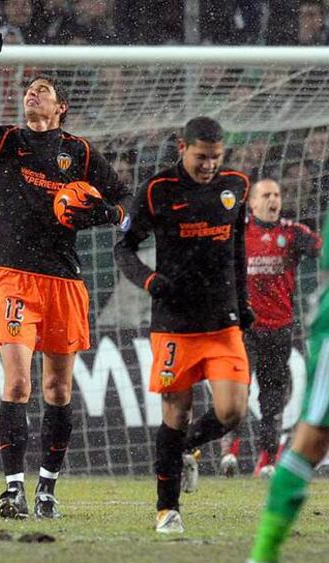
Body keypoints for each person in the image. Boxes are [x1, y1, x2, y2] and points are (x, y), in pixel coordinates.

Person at [0, 22, 132, 520]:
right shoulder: (7, 142)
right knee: (18, 385)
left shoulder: (82, 153)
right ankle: (12, 489)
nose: (34, 94)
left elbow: (127, 205)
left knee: (58, 390)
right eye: (30, 90)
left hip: (65, 281)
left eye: (43, 91)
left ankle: (47, 488)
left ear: (60, 108)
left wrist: (105, 215)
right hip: (12, 275)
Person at [114, 116, 253, 533]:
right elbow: (124, 248)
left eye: (216, 158)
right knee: (176, 412)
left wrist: (243, 302)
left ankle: (190, 448)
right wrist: (150, 280)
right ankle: (167, 509)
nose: (209, 165)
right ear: (182, 147)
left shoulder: (236, 186)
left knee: (232, 412)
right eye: (201, 157)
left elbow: (239, 248)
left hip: (222, 320)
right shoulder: (158, 190)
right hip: (174, 323)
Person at [220, 179, 322, 478]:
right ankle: (229, 453)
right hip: (244, 328)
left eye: (277, 194)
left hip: (279, 329)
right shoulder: (239, 233)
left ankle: (267, 461)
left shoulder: (292, 232)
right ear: (252, 203)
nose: (273, 199)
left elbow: (321, 248)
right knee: (238, 391)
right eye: (266, 195)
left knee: (272, 397)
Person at [248, 209, 329, 563]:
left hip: (283, 325)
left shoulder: (294, 232)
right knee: (311, 440)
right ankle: (263, 555)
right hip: (266, 326)